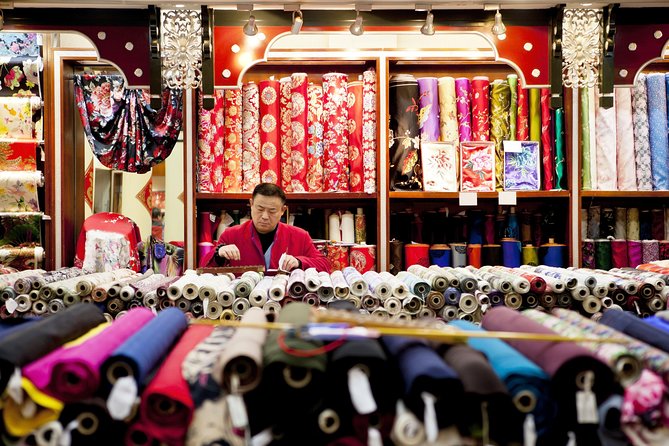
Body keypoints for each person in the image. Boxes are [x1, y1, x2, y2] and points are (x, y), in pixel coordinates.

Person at [202, 183, 330, 272]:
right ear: (251, 204)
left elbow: (324, 265)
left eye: (272, 211)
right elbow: (203, 269)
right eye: (260, 209)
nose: (264, 216)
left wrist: (299, 262)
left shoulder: (300, 236)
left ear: (282, 210)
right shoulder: (231, 235)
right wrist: (218, 254)